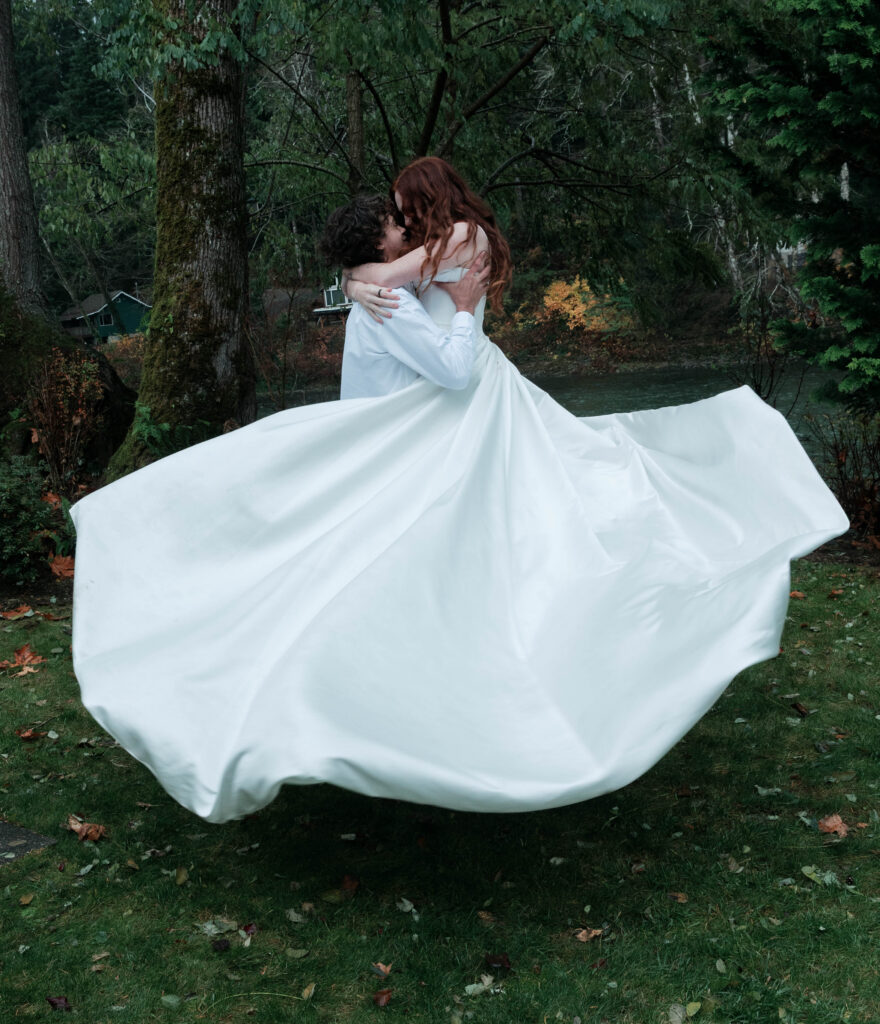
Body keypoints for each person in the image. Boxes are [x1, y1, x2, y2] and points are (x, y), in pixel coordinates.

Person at [69, 158, 848, 825]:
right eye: (391, 218)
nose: (399, 222)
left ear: (429, 205)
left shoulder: (453, 246)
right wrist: (401, 290)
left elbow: (421, 311)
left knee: (560, 515)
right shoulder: (410, 274)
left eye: (406, 210)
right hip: (456, 409)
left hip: (474, 408)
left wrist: (375, 279)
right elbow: (433, 343)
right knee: (456, 546)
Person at [318, 194, 489, 400]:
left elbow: (352, 272)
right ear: (378, 242)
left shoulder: (371, 293)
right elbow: (456, 372)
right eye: (393, 225)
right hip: (395, 425)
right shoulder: (390, 302)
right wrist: (465, 308)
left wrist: (351, 286)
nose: (403, 229)